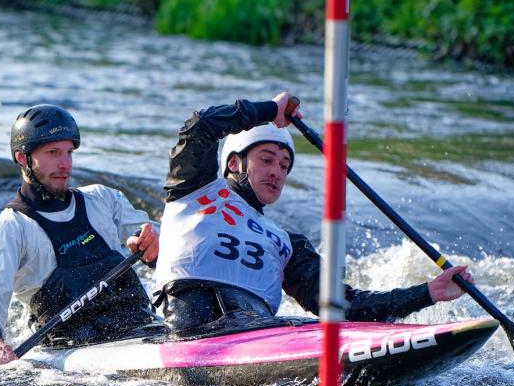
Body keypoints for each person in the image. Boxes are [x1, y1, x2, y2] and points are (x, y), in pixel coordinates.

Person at [153, 92, 473, 331]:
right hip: (188, 329)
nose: (277, 172)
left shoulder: (286, 243)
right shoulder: (193, 190)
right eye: (266, 159)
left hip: (254, 334)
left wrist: (429, 292)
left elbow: (343, 305)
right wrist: (269, 110)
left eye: (284, 166)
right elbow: (201, 126)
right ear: (235, 163)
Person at [0, 104, 160, 365]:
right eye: (53, 153)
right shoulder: (12, 228)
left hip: (145, 328)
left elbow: (159, 239)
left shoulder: (103, 199)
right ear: (22, 158)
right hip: (76, 349)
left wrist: (151, 242)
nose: (65, 164)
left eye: (69, 152)